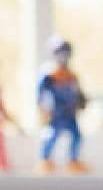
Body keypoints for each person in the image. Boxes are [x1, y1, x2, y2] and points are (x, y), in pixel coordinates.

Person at [36, 35, 89, 173]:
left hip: (70, 112)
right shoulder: (49, 75)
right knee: (51, 135)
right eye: (60, 53)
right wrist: (43, 110)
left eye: (66, 53)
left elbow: (78, 92)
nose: (63, 57)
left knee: (77, 136)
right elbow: (41, 95)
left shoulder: (71, 76)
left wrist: (81, 101)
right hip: (56, 113)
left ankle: (73, 160)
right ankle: (45, 159)